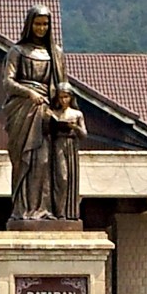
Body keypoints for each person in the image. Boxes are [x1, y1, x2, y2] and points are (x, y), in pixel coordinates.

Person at [2, 5, 66, 222]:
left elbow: (62, 85)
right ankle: (23, 209)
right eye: (37, 24)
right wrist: (29, 93)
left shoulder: (55, 54)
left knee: (44, 160)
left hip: (46, 112)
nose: (41, 28)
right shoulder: (17, 52)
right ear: (30, 25)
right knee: (24, 160)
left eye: (45, 24)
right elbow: (8, 81)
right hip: (23, 112)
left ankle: (43, 208)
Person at [46, 83, 86, 220]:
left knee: (70, 178)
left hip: (71, 144)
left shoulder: (77, 114)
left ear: (71, 97)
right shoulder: (54, 113)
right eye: (61, 97)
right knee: (61, 177)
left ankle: (69, 212)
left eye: (66, 97)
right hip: (58, 144)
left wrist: (74, 127)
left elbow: (84, 134)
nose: (63, 100)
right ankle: (59, 211)